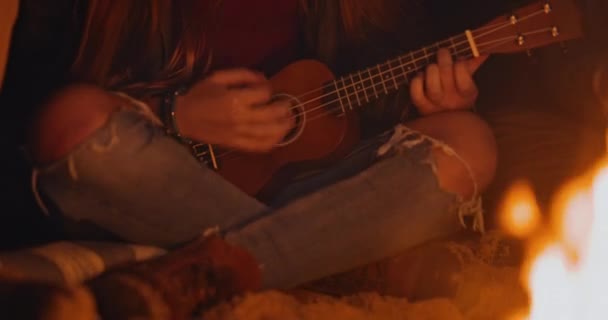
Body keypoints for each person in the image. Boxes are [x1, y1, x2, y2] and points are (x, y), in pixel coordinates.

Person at [25, 0, 497, 292]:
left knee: (468, 140)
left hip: (321, 193)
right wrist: (174, 114)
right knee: (69, 118)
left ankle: (236, 265)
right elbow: (27, 111)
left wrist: (434, 104)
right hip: (167, 192)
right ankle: (330, 263)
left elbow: (370, 110)